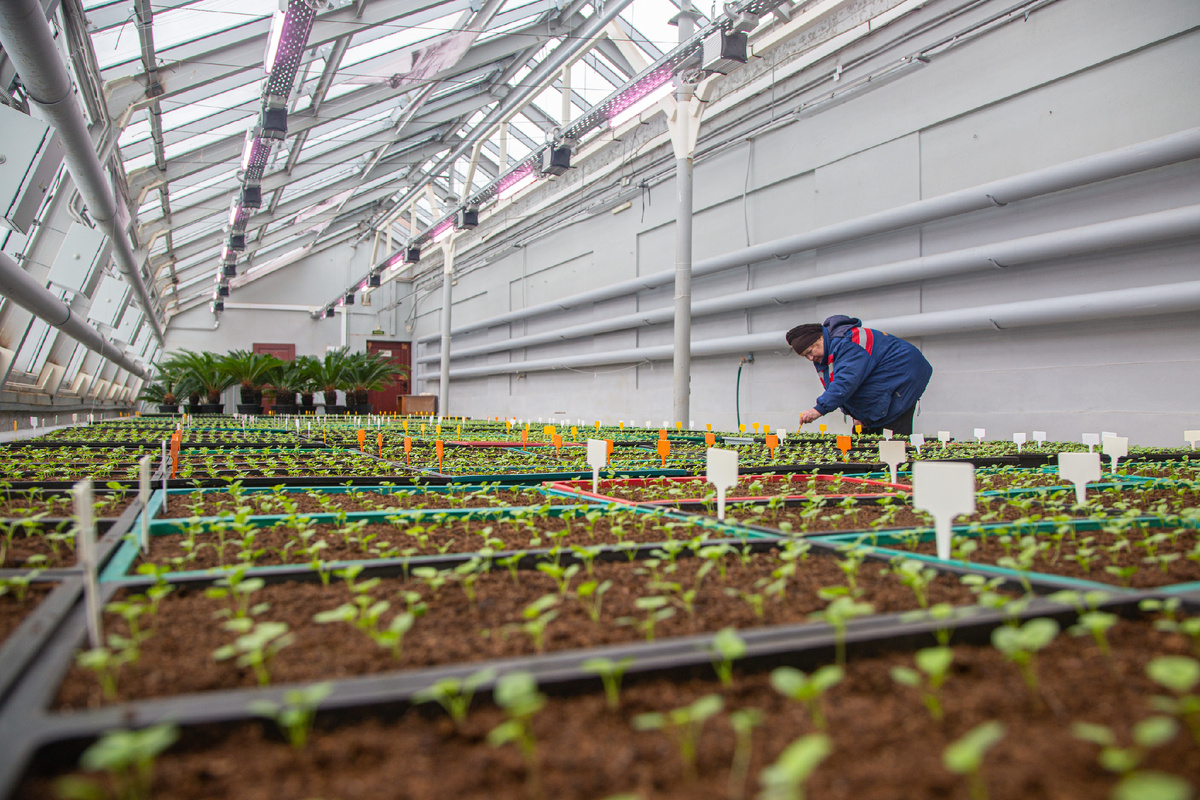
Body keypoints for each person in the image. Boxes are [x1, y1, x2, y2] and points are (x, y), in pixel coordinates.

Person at [786, 315, 932, 436]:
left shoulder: (850, 343)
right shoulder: (825, 356)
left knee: (892, 436)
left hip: (902, 377)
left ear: (821, 339)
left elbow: (846, 382)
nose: (810, 358)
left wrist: (818, 410)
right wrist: (856, 415)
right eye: (805, 356)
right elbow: (835, 386)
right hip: (883, 380)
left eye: (810, 351)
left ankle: (897, 468)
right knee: (865, 432)